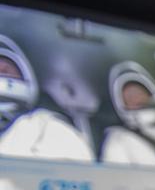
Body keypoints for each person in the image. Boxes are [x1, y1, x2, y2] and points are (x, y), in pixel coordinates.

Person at [0, 33, 94, 162]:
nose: (1, 72)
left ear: (25, 77)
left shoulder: (45, 125)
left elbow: (79, 167)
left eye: (5, 70)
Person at [98, 60, 155, 167]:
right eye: (129, 96)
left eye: (138, 92)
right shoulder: (119, 138)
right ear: (122, 104)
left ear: (150, 93)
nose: (135, 98)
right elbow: (114, 173)